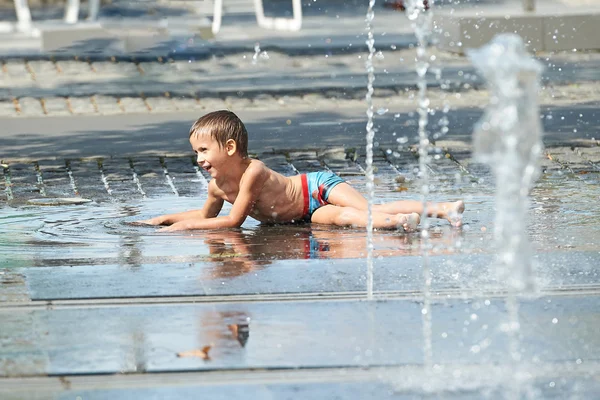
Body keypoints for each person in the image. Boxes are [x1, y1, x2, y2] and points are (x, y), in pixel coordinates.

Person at [139, 110, 464, 232]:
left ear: (230, 148)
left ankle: (443, 209)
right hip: (304, 215)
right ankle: (397, 223)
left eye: (203, 151)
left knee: (365, 208)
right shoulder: (216, 189)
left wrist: (183, 230)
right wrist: (164, 219)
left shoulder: (254, 172)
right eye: (196, 152)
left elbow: (232, 221)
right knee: (341, 219)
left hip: (314, 188)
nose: (198, 159)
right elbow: (205, 215)